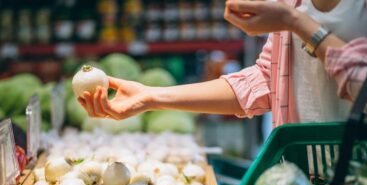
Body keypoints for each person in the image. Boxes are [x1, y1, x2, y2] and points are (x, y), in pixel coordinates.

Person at [78, 0, 367, 128]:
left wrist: (296, 23)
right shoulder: (291, 2)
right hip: (304, 178)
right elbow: (267, 80)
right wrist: (151, 97)